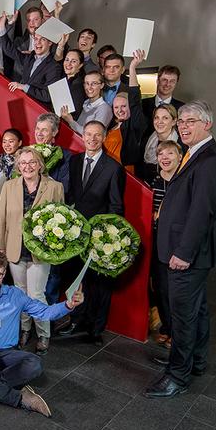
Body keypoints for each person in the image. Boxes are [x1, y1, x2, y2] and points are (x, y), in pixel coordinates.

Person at [144, 102, 216, 399]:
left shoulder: (211, 161)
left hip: (186, 254)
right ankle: (195, 362)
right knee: (198, 310)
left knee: (183, 315)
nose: (183, 125)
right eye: (181, 121)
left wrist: (182, 252)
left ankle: (177, 376)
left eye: (190, 121)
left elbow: (200, 214)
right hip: (184, 250)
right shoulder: (195, 155)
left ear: (207, 124)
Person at [0, 250, 84, 416]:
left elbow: (44, 312)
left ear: (4, 273)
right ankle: (20, 399)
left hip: (7, 353)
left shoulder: (15, 295)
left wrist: (68, 305)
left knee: (35, 364)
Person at [58, 121, 125, 345]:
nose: (92, 139)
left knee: (99, 284)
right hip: (76, 234)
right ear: (83, 136)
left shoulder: (113, 167)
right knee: (75, 279)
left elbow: (116, 206)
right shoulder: (75, 161)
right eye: (88, 134)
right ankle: (76, 320)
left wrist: (107, 236)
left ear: (104, 137)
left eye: (97, 135)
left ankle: (96, 329)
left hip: (99, 235)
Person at [0, 147, 64, 354]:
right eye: (23, 163)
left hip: (40, 251)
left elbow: (62, 219)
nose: (27, 166)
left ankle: (43, 334)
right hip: (15, 248)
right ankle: (24, 330)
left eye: (32, 162)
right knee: (19, 292)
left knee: (36, 294)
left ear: (40, 164)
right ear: (18, 166)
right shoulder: (9, 186)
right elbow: (2, 219)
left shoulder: (54, 186)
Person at [148, 140, 183, 348]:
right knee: (160, 288)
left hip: (176, 243)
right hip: (156, 242)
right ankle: (167, 326)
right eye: (161, 154)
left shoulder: (182, 181)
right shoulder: (153, 182)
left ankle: (176, 331)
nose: (165, 158)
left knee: (175, 290)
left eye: (170, 154)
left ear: (179, 157)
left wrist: (161, 216)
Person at [0, 13, 62, 106]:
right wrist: (2, 27)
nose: (38, 42)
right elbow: (9, 50)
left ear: (50, 42)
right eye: (36, 39)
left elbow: (48, 96)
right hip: (19, 103)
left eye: (42, 39)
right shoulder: (30, 57)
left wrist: (24, 87)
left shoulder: (54, 66)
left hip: (35, 110)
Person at [104, 50, 146, 172]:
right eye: (116, 107)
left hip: (124, 172)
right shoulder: (112, 125)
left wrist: (132, 67)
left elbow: (134, 99)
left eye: (123, 106)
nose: (119, 110)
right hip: (106, 171)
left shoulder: (134, 124)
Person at [61, 70, 113, 134]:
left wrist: (70, 121)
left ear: (102, 85)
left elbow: (92, 134)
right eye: (87, 83)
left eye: (94, 83)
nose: (89, 87)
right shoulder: (85, 103)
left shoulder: (104, 109)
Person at [32, 112, 72, 197]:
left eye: (44, 130)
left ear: (54, 132)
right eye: (37, 129)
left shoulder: (65, 156)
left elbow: (64, 187)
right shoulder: (26, 152)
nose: (39, 133)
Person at [138, 103, 181, 181]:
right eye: (156, 118)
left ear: (174, 121)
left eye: (165, 118)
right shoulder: (145, 141)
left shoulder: (180, 144)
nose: (159, 122)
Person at [52, 45, 86, 115]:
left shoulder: (79, 85)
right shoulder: (60, 76)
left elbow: (74, 113)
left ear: (80, 65)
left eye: (73, 61)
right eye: (67, 60)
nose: (68, 64)